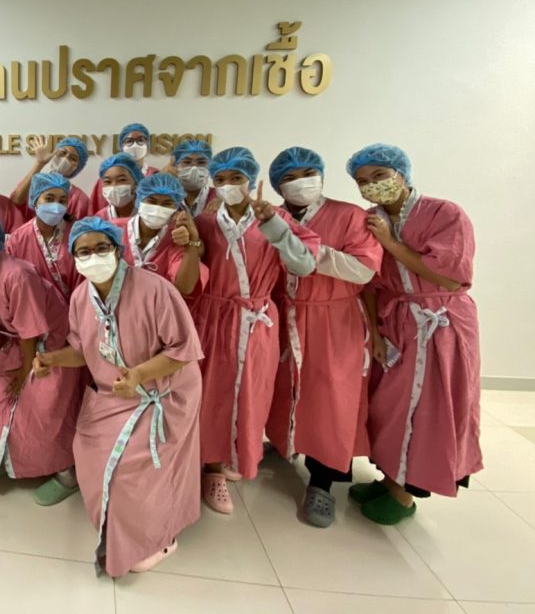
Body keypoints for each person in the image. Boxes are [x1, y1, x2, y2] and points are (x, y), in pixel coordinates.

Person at [35, 217, 202, 577]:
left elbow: (183, 350)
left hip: (164, 393)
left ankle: (161, 536)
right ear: (74, 258)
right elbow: (83, 349)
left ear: (117, 249)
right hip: (114, 394)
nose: (93, 257)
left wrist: (139, 374)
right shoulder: (81, 297)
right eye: (83, 252)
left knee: (132, 467)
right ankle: (121, 525)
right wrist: (53, 359)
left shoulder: (155, 290)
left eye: (101, 248)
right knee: (88, 449)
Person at [345, 144, 482, 525]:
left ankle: (406, 494)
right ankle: (390, 479)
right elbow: (369, 282)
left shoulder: (444, 214)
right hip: (395, 320)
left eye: (379, 176)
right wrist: (375, 334)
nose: (371, 185)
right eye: (362, 181)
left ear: (401, 173)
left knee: (429, 408)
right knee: (390, 406)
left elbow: (449, 276)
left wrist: (391, 244)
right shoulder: (369, 220)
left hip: (441, 322)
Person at [194, 147, 319, 514]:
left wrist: (273, 225)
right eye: (221, 179)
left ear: (251, 180)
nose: (228, 185)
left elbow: (305, 264)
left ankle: (235, 453)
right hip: (214, 317)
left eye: (236, 178)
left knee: (252, 392)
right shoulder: (205, 222)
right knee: (213, 394)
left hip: (257, 318)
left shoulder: (276, 217)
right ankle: (212, 469)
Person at [263, 147, 383, 528]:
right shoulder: (271, 217)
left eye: (308, 173)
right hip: (286, 314)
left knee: (332, 399)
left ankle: (323, 480)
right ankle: (286, 444)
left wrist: (305, 251)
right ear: (278, 185)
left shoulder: (350, 216)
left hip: (335, 319)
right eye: (290, 177)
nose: (301, 182)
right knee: (284, 389)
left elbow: (363, 270)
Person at [0, 210, 81, 505]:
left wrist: (25, 374)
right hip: (17, 344)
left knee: (42, 410)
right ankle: (0, 461)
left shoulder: (17, 274)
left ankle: (66, 473)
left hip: (52, 347)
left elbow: (31, 328)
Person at [114, 173, 205, 297]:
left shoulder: (177, 237)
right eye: (152, 201)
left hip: (158, 306)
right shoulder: (114, 229)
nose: (157, 208)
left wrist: (192, 241)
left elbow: (185, 288)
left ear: (176, 208)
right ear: (139, 200)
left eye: (167, 204)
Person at [6, 173, 80, 302]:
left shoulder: (77, 234)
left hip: (76, 306)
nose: (56, 206)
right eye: (49, 199)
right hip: (34, 308)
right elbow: (13, 280)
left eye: (62, 201)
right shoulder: (17, 240)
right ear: (35, 200)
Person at [10, 135, 93, 220]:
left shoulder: (80, 199)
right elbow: (15, 202)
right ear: (54, 153)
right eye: (63, 152)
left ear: (77, 167)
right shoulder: (34, 184)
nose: (65, 159)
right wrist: (40, 163)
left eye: (73, 158)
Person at [89, 124, 159, 213]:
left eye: (140, 140)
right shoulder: (106, 178)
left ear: (148, 144)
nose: (135, 145)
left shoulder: (157, 177)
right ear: (121, 145)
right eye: (129, 141)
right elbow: (95, 210)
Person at [168, 139, 214, 216]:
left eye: (201, 162)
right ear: (175, 165)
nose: (194, 168)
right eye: (187, 162)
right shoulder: (165, 197)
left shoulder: (218, 197)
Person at [94, 154, 143, 220]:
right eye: (107, 181)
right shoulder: (100, 218)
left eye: (121, 180)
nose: (113, 186)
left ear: (136, 183)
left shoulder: (147, 215)